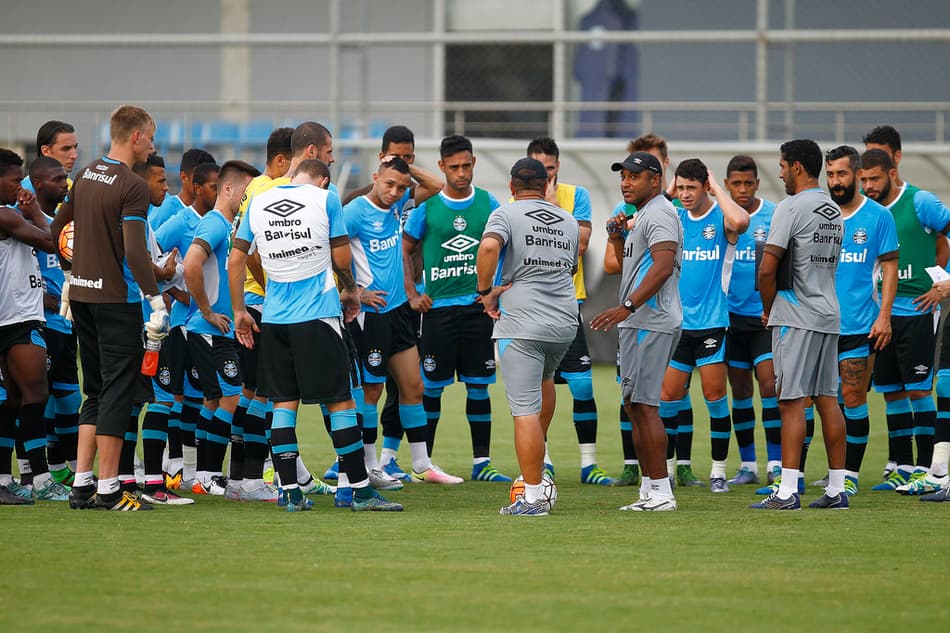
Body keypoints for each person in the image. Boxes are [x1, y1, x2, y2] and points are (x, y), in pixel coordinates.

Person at [229, 158, 402, 512]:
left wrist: (239, 312)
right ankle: (360, 490)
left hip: (275, 318)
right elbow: (341, 257)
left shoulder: (258, 200)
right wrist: (351, 291)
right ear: (323, 180)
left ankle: (289, 491)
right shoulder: (326, 199)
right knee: (341, 400)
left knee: (282, 404)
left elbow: (239, 260)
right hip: (318, 316)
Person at [51, 105, 168, 512]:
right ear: (135, 137)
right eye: (150, 137)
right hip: (116, 300)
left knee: (95, 389)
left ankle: (81, 484)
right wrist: (155, 298)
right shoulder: (131, 185)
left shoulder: (83, 176)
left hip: (82, 298)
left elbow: (56, 229)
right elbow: (135, 251)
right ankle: (108, 489)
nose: (153, 145)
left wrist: (71, 272)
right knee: (119, 391)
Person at [344, 156, 460, 484]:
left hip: (398, 312)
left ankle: (422, 464)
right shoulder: (354, 211)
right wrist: (355, 291)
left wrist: (405, 169)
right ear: (375, 176)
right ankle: (368, 468)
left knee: (414, 385)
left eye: (401, 187)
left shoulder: (397, 207)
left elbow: (437, 185)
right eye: (389, 184)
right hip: (370, 315)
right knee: (372, 390)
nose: (395, 192)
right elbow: (329, 251)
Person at [402, 135, 509, 482]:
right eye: (454, 167)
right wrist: (412, 293)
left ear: (474, 163)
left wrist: (495, 289)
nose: (461, 173)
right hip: (437, 312)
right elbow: (403, 249)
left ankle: (482, 463)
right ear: (442, 167)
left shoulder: (489, 203)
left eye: (466, 165)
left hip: (476, 310)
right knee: (431, 388)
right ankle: (426, 463)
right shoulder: (428, 207)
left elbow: (503, 247)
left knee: (479, 386)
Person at [476, 157, 580, 515]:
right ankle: (534, 468)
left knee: (524, 412)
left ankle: (533, 496)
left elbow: (489, 248)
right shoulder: (567, 220)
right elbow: (572, 265)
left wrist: (485, 289)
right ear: (546, 184)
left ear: (511, 187)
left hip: (523, 323)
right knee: (546, 382)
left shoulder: (505, 214)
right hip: (565, 321)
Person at [750, 139, 848, 511]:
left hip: (796, 314)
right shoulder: (832, 209)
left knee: (790, 402)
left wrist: (768, 307)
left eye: (782, 166)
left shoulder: (791, 206)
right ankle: (837, 489)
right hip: (829, 312)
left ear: (797, 167)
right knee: (827, 399)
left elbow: (767, 266)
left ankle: (787, 491)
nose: (779, 173)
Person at [591, 151, 683, 512]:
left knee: (645, 406)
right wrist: (616, 237)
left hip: (651, 320)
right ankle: (649, 489)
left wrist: (626, 307)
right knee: (634, 405)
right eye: (623, 176)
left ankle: (662, 493)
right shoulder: (639, 217)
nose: (626, 182)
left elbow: (661, 268)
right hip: (638, 322)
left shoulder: (660, 212)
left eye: (634, 176)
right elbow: (619, 267)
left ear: (655, 180)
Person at [861, 128, 950, 488]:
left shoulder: (919, 201)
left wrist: (945, 282)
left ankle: (930, 472)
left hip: (918, 312)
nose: (867, 186)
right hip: (883, 314)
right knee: (892, 392)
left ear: (893, 172)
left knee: (918, 391)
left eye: (873, 179)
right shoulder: (870, 211)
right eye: (863, 179)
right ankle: (902, 468)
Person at [527, 136, 616, 486]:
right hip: (533, 311)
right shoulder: (514, 201)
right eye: (538, 170)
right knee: (538, 390)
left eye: (549, 169)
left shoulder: (576, 196)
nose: (544, 176)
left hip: (568, 307)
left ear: (557, 167)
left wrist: (549, 207)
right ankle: (543, 458)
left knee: (582, 387)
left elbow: (576, 247)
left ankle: (589, 464)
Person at [658, 158, 748, 493]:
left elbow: (740, 219)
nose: (684, 194)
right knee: (668, 397)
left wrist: (717, 188)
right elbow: (640, 220)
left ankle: (718, 472)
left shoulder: (721, 219)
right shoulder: (675, 216)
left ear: (704, 187)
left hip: (711, 325)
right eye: (679, 187)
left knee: (714, 397)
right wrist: (668, 190)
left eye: (690, 188)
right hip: (678, 325)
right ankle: (665, 472)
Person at [821, 145, 899, 495]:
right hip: (819, 324)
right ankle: (829, 471)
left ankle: (848, 475)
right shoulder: (819, 214)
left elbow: (890, 266)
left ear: (856, 173)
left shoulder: (878, 216)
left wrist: (884, 316)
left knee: (852, 397)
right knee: (823, 400)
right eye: (830, 174)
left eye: (841, 174)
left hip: (858, 323)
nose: (835, 181)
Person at [183, 160, 261, 501]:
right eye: (246, 192)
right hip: (209, 329)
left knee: (216, 399)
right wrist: (206, 311)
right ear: (227, 189)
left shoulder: (232, 227)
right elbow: (190, 263)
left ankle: (202, 474)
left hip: (222, 330)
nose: (249, 199)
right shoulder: (214, 223)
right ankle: (208, 474)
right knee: (230, 397)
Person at [0, 149, 66, 502]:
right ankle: (39, 479)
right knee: (35, 395)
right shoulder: (6, 217)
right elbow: (51, 240)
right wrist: (35, 212)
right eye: (14, 180)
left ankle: (5, 478)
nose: (19, 185)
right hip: (15, 319)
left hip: (15, 316)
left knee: (12, 400)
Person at [154, 161, 220, 493]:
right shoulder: (180, 221)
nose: (219, 192)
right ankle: (174, 463)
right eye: (213, 186)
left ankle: (190, 470)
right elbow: (149, 254)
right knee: (176, 393)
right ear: (197, 187)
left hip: (204, 323)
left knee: (197, 393)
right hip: (182, 322)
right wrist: (175, 291)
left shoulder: (217, 222)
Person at [722, 155, 780, 486]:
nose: (742, 189)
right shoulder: (723, 215)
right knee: (740, 390)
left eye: (748, 183)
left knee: (770, 385)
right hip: (730, 318)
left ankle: (775, 462)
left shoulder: (773, 215)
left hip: (764, 317)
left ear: (757, 183)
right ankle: (748, 465)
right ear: (727, 185)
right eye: (736, 184)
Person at [28, 157, 80, 488]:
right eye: (58, 178)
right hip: (42, 323)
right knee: (38, 397)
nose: (65, 183)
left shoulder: (68, 223)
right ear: (38, 184)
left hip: (67, 323)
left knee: (70, 398)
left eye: (66, 178)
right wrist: (38, 296)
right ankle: (34, 471)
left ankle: (66, 467)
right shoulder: (24, 222)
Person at [149, 148, 216, 231]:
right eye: (199, 179)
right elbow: (148, 240)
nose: (202, 184)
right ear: (184, 177)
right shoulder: (166, 209)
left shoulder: (212, 213)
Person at [21, 121, 79, 194]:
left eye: (75, 147)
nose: (74, 156)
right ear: (46, 151)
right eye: (66, 149)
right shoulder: (23, 192)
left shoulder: (71, 186)